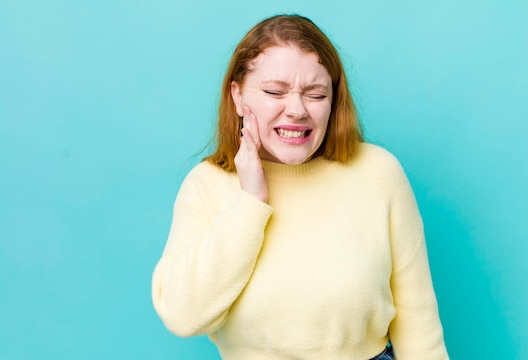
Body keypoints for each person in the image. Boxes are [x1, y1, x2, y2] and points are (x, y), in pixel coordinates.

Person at [152, 14, 449, 360]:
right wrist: (250, 202)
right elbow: (182, 315)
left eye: (316, 94)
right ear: (237, 95)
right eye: (274, 91)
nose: (296, 110)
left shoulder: (378, 173)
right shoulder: (207, 185)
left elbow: (419, 324)